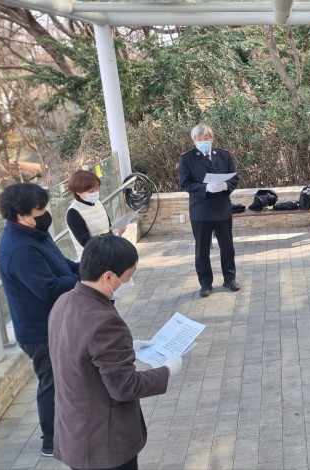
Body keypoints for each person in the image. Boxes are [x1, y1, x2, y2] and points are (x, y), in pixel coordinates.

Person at [48, 235, 181, 470]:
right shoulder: (104, 321)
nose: (130, 282)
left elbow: (79, 351)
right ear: (108, 276)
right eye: (129, 276)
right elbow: (125, 387)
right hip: (104, 443)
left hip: (74, 432)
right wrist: (167, 370)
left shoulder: (64, 300)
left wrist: (127, 348)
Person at [0, 183, 80, 457]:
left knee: (64, 379)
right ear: (21, 215)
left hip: (55, 322)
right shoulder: (19, 249)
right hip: (39, 331)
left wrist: (88, 268)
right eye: (39, 210)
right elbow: (48, 287)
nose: (45, 214)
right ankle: (51, 440)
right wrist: (85, 280)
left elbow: (61, 263)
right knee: (52, 383)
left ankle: (69, 427)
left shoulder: (34, 234)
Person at [179, 123, 240, 297]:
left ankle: (229, 279)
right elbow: (185, 183)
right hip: (201, 211)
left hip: (222, 209)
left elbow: (234, 178)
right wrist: (206, 188)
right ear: (194, 141)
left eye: (206, 138)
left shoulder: (223, 155)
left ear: (212, 138)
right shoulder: (187, 158)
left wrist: (225, 185)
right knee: (202, 250)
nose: (203, 141)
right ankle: (205, 283)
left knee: (227, 247)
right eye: (199, 139)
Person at [65, 169, 124, 260]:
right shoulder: (73, 213)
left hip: (109, 253)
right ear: (77, 192)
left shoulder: (98, 203)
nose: (95, 193)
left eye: (97, 189)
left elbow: (108, 227)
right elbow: (86, 242)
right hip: (92, 261)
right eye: (91, 191)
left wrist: (116, 232)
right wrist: (113, 234)